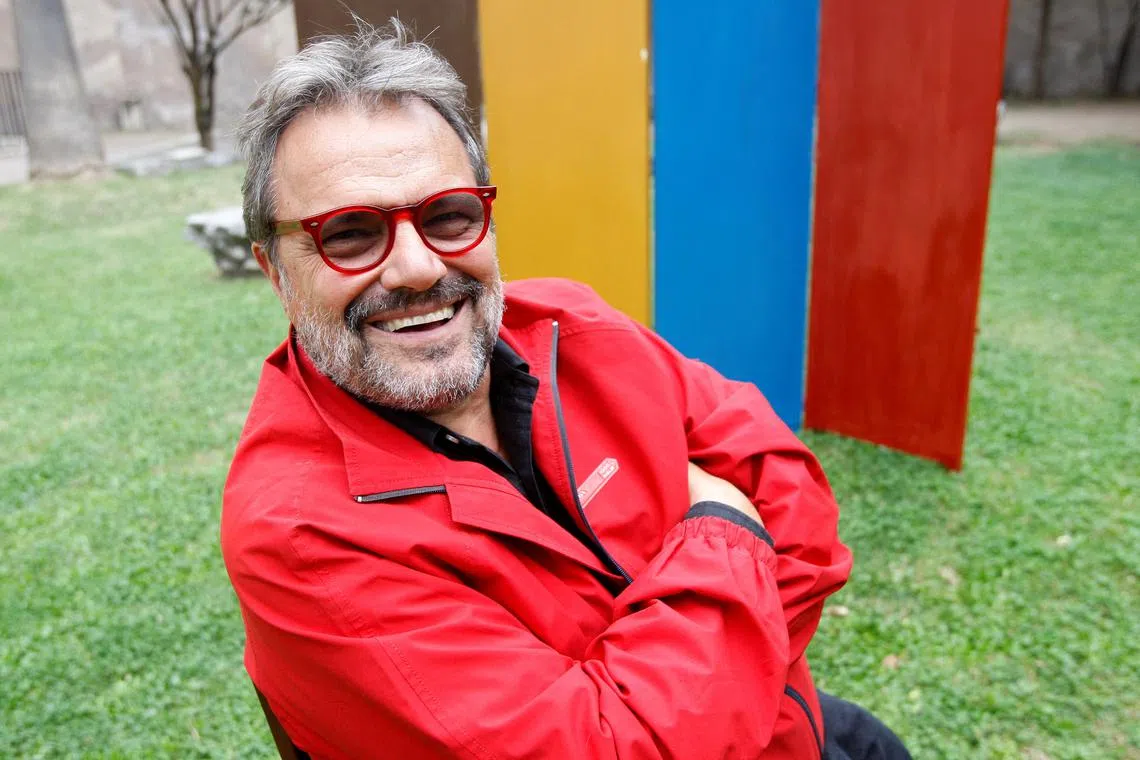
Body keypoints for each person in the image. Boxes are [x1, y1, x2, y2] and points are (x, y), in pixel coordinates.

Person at [221, 21, 911, 760]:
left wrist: (665, 689)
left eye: (448, 215)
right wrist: (721, 521)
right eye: (350, 234)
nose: (419, 267)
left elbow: (801, 507)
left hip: (798, 728)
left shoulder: (564, 323)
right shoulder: (300, 534)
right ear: (276, 272)